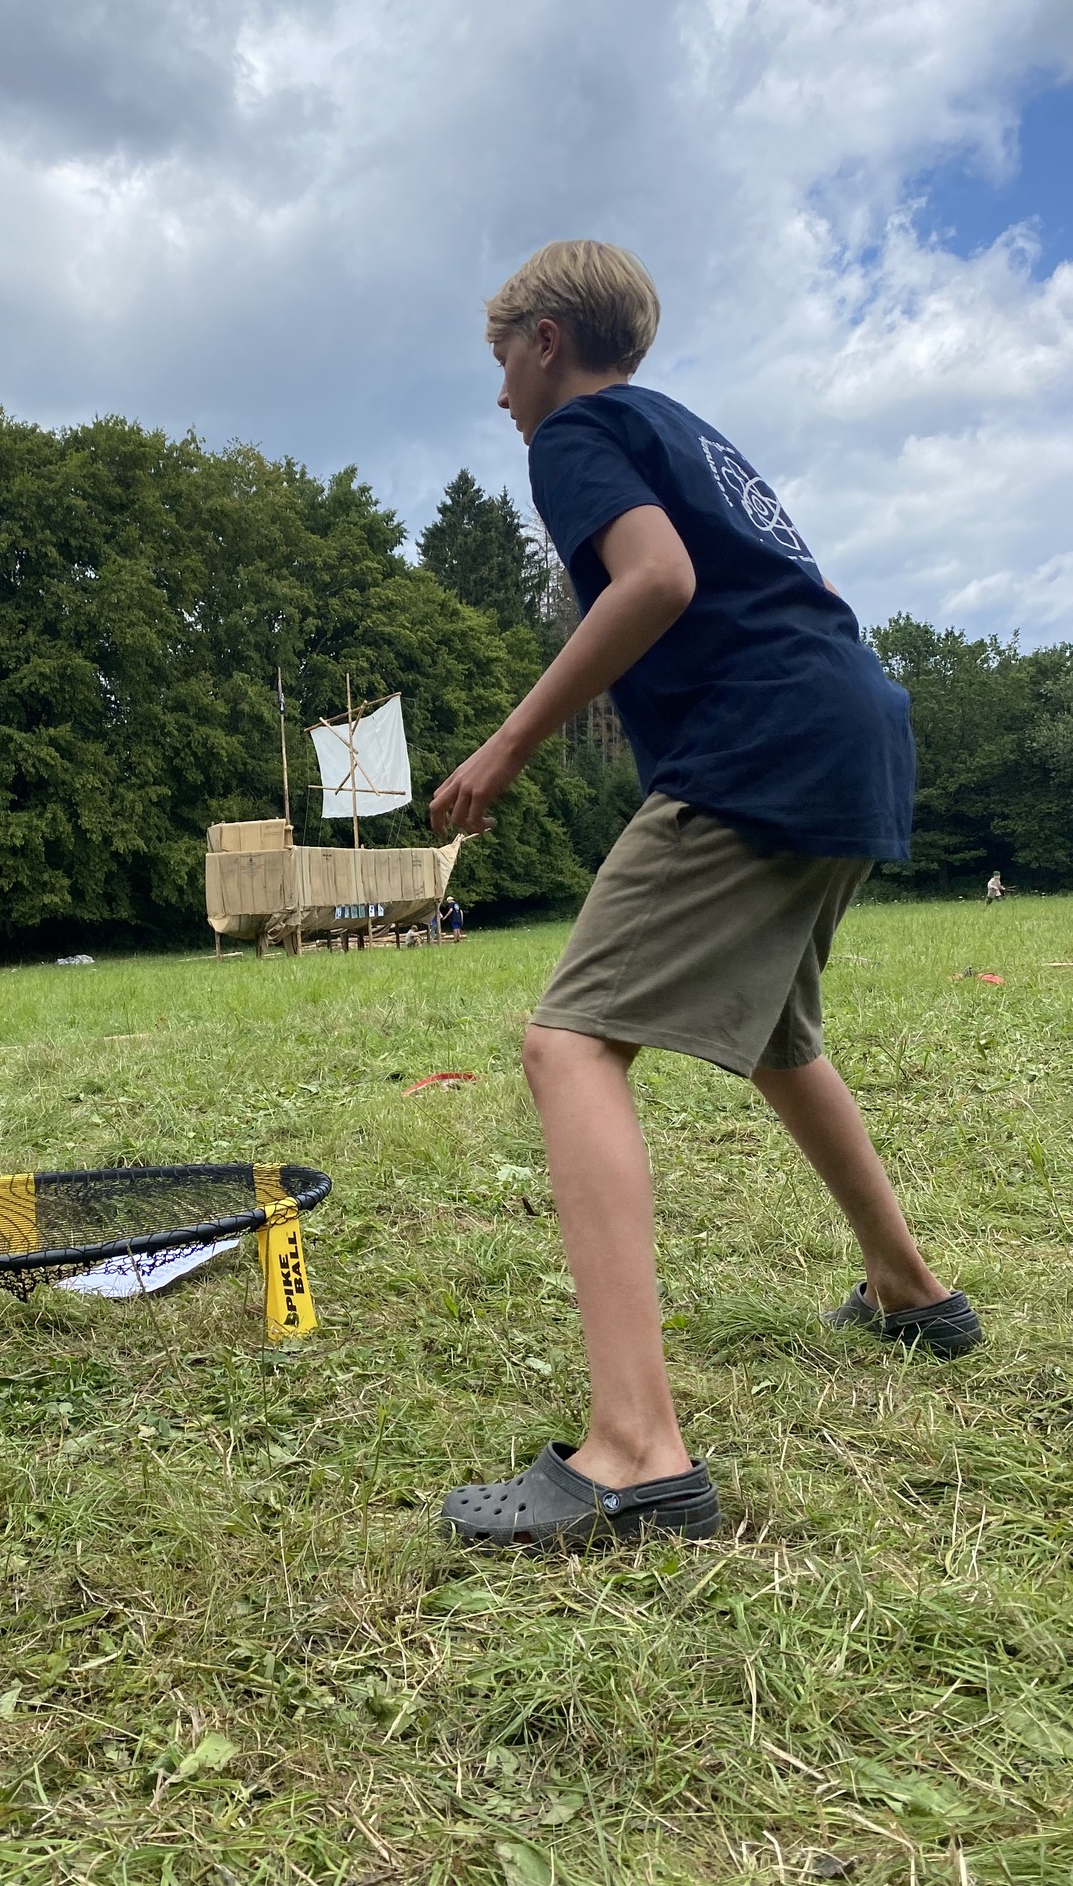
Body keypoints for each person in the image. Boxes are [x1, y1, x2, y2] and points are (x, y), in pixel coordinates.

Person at [430, 240, 981, 1551]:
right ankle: (911, 1289)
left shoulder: (576, 432)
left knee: (569, 1043)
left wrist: (506, 747)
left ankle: (636, 1454)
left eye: (502, 360)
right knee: (782, 1038)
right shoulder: (685, 430)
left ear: (547, 341)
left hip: (763, 746)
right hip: (854, 731)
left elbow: (659, 580)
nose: (500, 392)